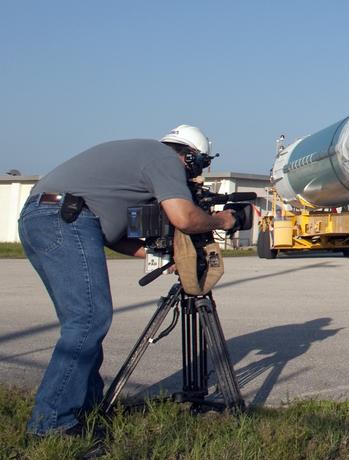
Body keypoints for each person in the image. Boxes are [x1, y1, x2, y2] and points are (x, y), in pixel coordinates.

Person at [18, 125, 239, 437]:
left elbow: (110, 238)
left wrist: (166, 258)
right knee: (88, 320)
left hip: (46, 218)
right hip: (64, 218)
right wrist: (222, 220)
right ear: (190, 157)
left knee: (82, 323)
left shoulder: (141, 161)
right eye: (198, 166)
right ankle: (51, 423)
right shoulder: (164, 159)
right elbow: (184, 218)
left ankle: (85, 411)